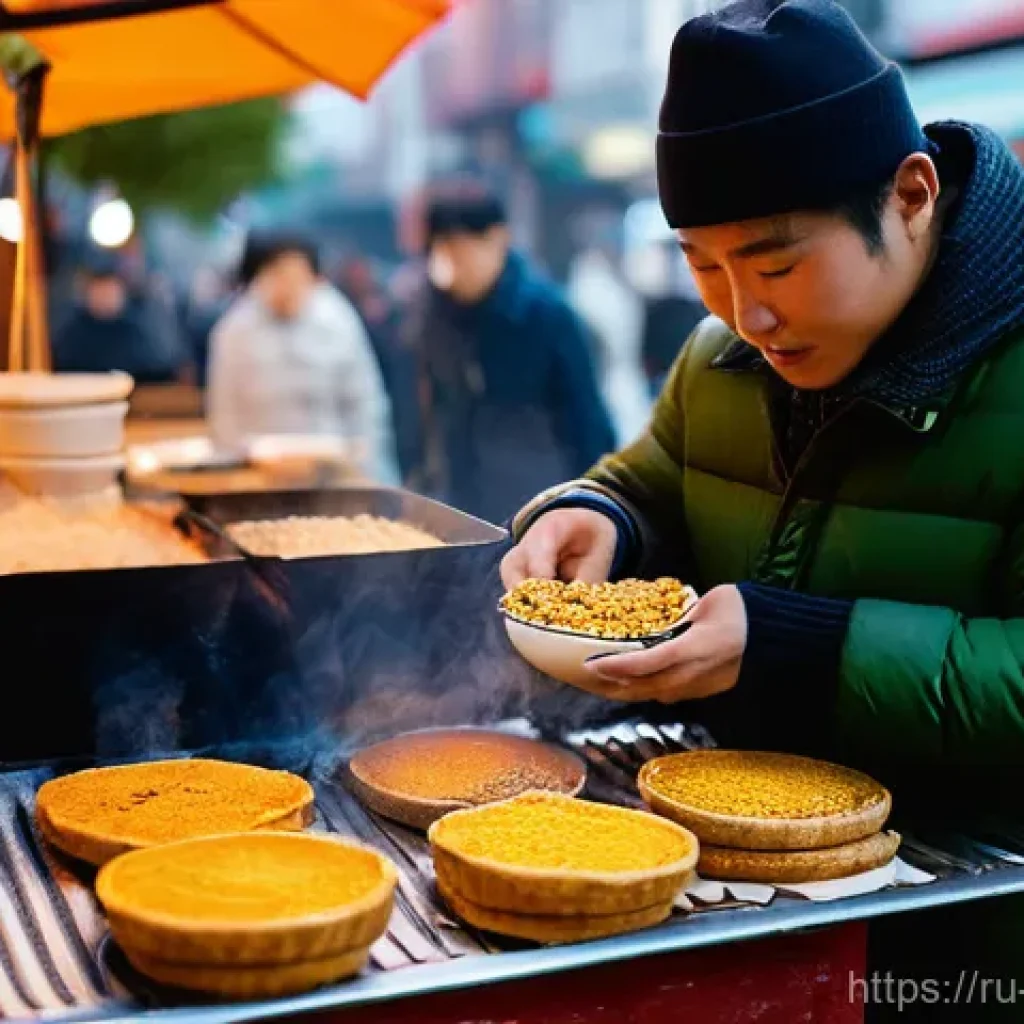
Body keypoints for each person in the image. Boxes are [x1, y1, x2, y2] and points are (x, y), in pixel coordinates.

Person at [501, 0, 1024, 1015]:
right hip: (739, 897)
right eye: (703, 265)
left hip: (969, 940)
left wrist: (797, 645)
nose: (746, 312)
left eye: (777, 263)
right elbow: (652, 478)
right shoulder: (719, 359)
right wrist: (598, 515)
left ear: (910, 195)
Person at [404, 184, 615, 524]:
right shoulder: (431, 317)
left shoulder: (547, 314)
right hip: (459, 507)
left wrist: (591, 507)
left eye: (462, 247)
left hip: (540, 505)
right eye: (441, 249)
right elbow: (426, 415)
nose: (453, 263)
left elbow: (586, 421)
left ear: (498, 238)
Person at [206, 230, 397, 484]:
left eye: (298, 276)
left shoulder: (338, 321)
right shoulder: (234, 330)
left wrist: (367, 469)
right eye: (279, 274)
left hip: (333, 474)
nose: (289, 286)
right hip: (261, 476)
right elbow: (224, 414)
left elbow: (366, 404)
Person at [53, 252, 185, 383]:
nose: (104, 297)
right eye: (98, 289)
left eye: (109, 290)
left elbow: (162, 365)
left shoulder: (140, 328)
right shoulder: (73, 334)